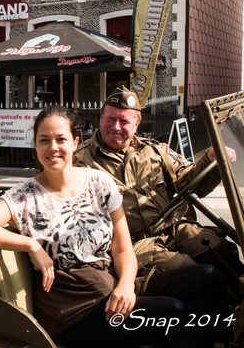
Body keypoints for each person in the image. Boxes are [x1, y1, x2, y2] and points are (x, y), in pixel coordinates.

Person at [0, 105, 228, 348]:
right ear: (35, 145)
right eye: (44, 140)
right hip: (72, 309)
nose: (52, 148)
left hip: (110, 285)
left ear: (75, 142)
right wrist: (31, 244)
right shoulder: (25, 195)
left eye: (61, 139)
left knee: (208, 277)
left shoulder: (100, 183)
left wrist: (125, 285)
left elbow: (123, 249)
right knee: (173, 312)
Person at [74, 87, 244, 290]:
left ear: (136, 125)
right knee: (194, 272)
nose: (116, 127)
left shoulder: (155, 151)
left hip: (174, 228)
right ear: (101, 119)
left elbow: (189, 183)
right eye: (111, 119)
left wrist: (210, 158)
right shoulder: (78, 162)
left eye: (124, 121)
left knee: (223, 251)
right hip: (133, 244)